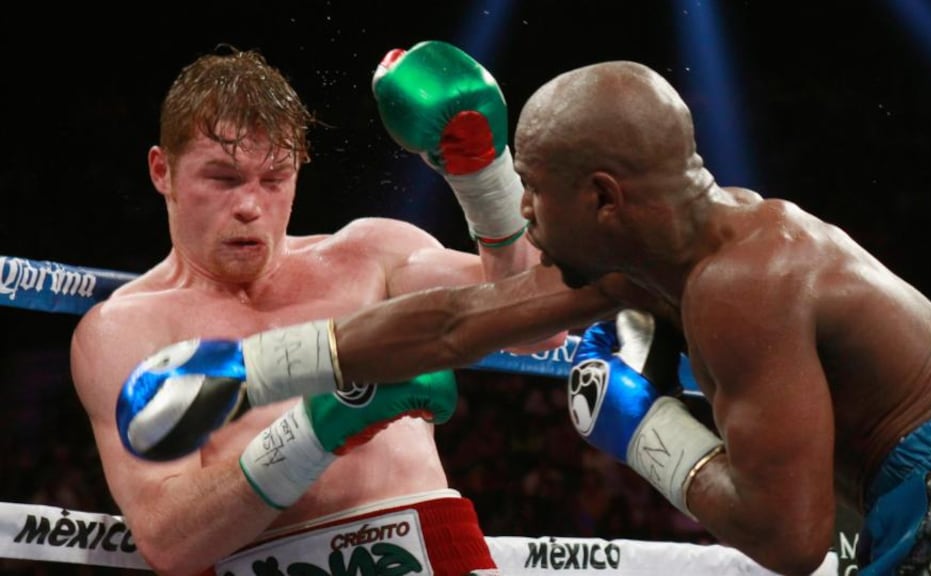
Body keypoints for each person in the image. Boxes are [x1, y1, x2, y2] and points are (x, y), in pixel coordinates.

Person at [69, 41, 597, 576]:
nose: (251, 206)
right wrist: (319, 426)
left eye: (274, 179)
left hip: (433, 549)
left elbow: (536, 322)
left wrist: (483, 175)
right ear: (163, 172)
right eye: (222, 179)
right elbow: (170, 542)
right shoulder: (128, 329)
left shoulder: (372, 255)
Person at [513, 60, 931, 575]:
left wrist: (645, 430)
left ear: (604, 194)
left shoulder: (742, 279)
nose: (524, 208)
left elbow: (790, 542)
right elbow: (460, 321)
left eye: (531, 186)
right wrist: (474, 176)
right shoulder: (737, 261)